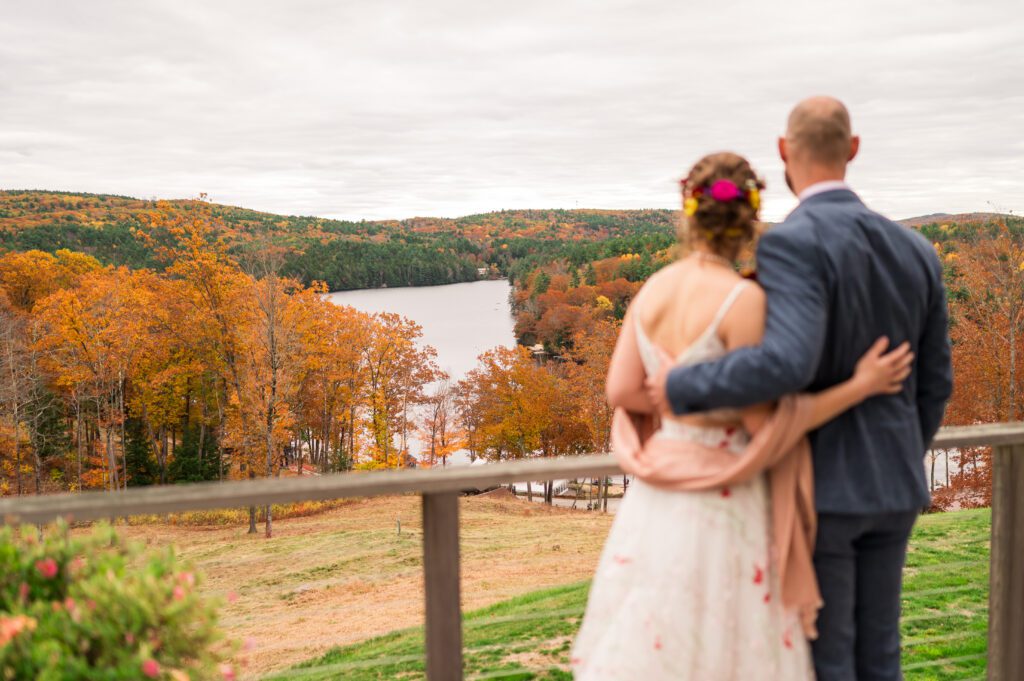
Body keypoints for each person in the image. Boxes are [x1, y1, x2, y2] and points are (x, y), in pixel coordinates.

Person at [570, 151, 914, 680]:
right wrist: (859, 386)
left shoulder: (653, 290)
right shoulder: (742, 300)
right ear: (750, 222)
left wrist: (678, 407)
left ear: (688, 216)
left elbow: (622, 390)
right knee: (726, 644)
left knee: (660, 640)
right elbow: (767, 424)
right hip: (725, 499)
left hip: (657, 500)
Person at [646, 98, 953, 680]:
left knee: (828, 658)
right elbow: (936, 383)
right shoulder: (917, 250)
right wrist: (899, 452)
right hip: (894, 485)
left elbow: (787, 363)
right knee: (881, 654)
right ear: (853, 149)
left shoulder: (792, 242)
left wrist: (680, 383)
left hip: (822, 487)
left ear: (784, 150)